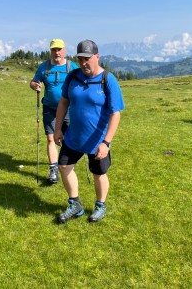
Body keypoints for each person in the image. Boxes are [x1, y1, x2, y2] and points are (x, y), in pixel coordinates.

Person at [53, 39, 125, 223]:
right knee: (63, 166)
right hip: (73, 137)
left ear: (97, 57)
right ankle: (74, 204)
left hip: (97, 140)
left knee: (99, 174)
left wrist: (106, 143)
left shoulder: (107, 79)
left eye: (87, 58)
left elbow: (115, 114)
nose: (84, 63)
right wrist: (58, 128)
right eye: (80, 59)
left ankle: (100, 205)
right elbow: (63, 102)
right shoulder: (73, 76)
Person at [30, 39, 79, 183]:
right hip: (50, 108)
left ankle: (68, 164)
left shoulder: (72, 67)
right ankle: (53, 169)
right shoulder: (44, 67)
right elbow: (33, 81)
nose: (56, 52)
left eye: (59, 49)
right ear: (50, 51)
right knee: (51, 138)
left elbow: (81, 81)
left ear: (64, 50)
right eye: (54, 50)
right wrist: (35, 86)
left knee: (68, 138)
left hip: (69, 108)